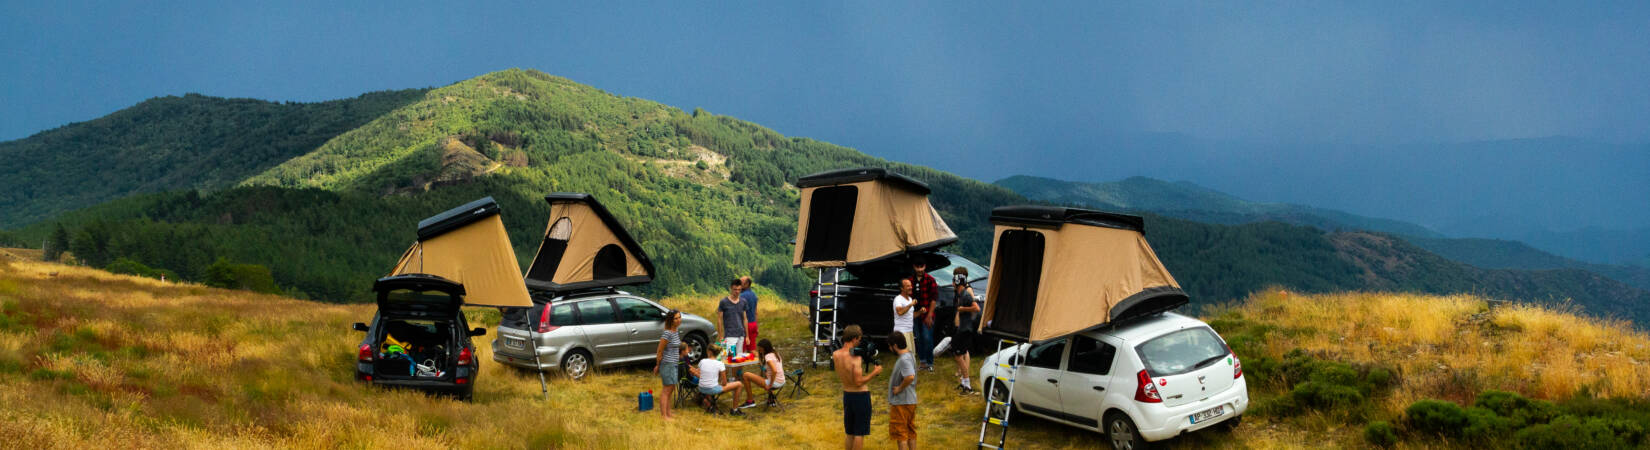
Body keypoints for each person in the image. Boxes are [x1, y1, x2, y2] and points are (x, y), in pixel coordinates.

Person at [833, 325, 882, 450]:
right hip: (860, 396)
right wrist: (874, 373)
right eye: (859, 339)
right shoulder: (856, 358)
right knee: (859, 433)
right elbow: (859, 382)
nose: (860, 342)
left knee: (849, 432)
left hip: (847, 395)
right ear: (854, 339)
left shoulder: (836, 354)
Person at [947, 268, 981, 393]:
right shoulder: (961, 294)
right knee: (957, 355)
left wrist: (962, 309)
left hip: (965, 328)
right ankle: (964, 383)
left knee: (958, 355)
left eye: (953, 282)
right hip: (962, 327)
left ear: (957, 283)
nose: (951, 284)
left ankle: (968, 385)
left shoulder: (966, 294)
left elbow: (976, 308)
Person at [653, 310, 689, 419]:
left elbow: (674, 349)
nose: (678, 320)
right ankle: (664, 416)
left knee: (671, 388)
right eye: (675, 318)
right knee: (666, 390)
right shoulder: (667, 333)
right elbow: (659, 351)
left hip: (674, 363)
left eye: (679, 317)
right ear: (670, 320)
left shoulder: (675, 331)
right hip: (667, 364)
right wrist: (658, 365)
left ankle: (668, 413)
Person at [887, 332, 918, 449]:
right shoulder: (909, 355)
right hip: (910, 400)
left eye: (890, 346)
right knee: (910, 432)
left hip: (901, 402)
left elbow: (910, 376)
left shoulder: (904, 359)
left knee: (901, 435)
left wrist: (899, 388)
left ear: (895, 345)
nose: (890, 349)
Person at [908, 259, 939, 371]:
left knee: (927, 338)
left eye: (922, 267)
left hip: (927, 314)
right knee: (918, 338)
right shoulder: (910, 280)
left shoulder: (931, 280)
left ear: (925, 266)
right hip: (914, 315)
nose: (920, 269)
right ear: (914, 267)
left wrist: (930, 315)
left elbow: (934, 299)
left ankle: (930, 363)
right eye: (917, 267)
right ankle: (922, 362)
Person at [738, 338, 785, 408]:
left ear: (765, 348)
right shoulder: (775, 353)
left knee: (745, 375)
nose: (759, 350)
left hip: (775, 383)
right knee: (765, 375)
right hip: (782, 381)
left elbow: (775, 371)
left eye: (760, 349)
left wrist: (770, 385)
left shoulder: (768, 357)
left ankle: (750, 401)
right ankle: (771, 399)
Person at [715, 278, 748, 355]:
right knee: (726, 357)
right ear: (731, 288)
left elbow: (745, 319)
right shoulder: (724, 302)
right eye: (735, 289)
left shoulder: (743, 301)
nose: (737, 292)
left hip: (741, 334)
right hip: (729, 334)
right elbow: (719, 319)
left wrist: (747, 336)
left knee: (739, 357)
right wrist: (720, 336)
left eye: (739, 289)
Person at [892, 279, 916, 352]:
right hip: (902, 332)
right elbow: (899, 312)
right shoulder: (898, 299)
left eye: (911, 285)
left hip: (910, 331)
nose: (911, 287)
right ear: (902, 288)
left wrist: (920, 312)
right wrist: (910, 305)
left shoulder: (910, 299)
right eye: (908, 286)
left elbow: (911, 315)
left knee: (912, 355)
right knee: (906, 356)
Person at [740, 276, 759, 351]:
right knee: (752, 350)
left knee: (741, 350)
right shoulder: (754, 295)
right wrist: (756, 326)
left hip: (745, 325)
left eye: (741, 282)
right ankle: (758, 361)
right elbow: (756, 312)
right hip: (753, 324)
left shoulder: (741, 296)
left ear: (747, 284)